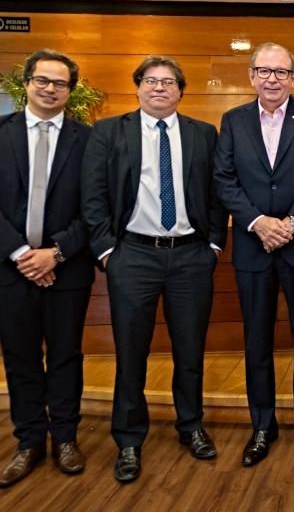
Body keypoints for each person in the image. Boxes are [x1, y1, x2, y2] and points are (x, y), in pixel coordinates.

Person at [81, 55, 228, 483]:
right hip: (133, 256)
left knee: (190, 350)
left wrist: (214, 244)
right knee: (131, 351)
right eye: (150, 80)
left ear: (181, 90)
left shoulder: (203, 133)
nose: (159, 88)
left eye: (168, 81)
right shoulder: (109, 131)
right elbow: (92, 195)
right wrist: (107, 251)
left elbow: (216, 192)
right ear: (138, 87)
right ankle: (129, 439)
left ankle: (191, 425)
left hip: (191, 256)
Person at [0, 49, 94, 488]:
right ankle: (28, 441)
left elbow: (96, 206)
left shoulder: (88, 139)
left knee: (65, 355)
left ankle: (66, 439)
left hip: (67, 268)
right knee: (19, 356)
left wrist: (54, 254)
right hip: (6, 268)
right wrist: (22, 253)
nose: (50, 88)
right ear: (26, 83)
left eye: (60, 83)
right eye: (42, 80)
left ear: (70, 90)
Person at [213, 42, 294, 465]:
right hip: (253, 248)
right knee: (257, 341)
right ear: (251, 76)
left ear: (293, 77)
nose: (273, 79)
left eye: (281, 71)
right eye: (265, 71)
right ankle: (262, 426)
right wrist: (258, 223)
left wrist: (291, 223)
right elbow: (224, 179)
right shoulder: (233, 120)